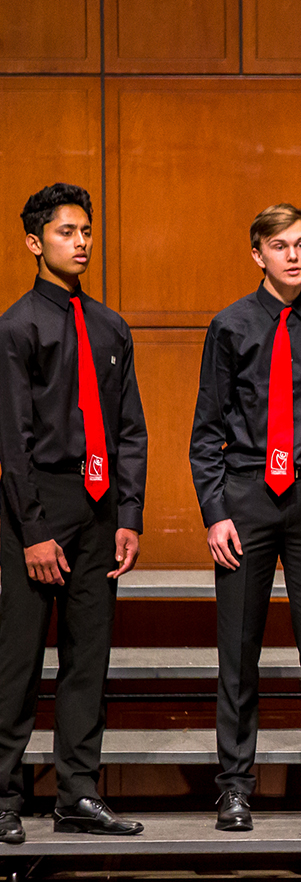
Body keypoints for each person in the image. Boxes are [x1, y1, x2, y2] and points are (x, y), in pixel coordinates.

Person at [190, 204, 301, 831]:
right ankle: (235, 787)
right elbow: (206, 430)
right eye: (280, 246)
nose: (293, 256)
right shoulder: (230, 326)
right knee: (238, 650)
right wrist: (215, 512)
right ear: (258, 254)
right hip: (247, 496)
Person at [0, 183, 147, 842]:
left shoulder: (111, 327)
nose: (81, 242)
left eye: (86, 230)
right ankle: (2, 796)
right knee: (18, 661)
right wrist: (34, 531)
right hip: (37, 505)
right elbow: (13, 442)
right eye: (67, 231)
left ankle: (78, 794)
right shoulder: (16, 327)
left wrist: (129, 515)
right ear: (35, 243)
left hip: (99, 506)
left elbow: (130, 430)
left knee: (88, 659)